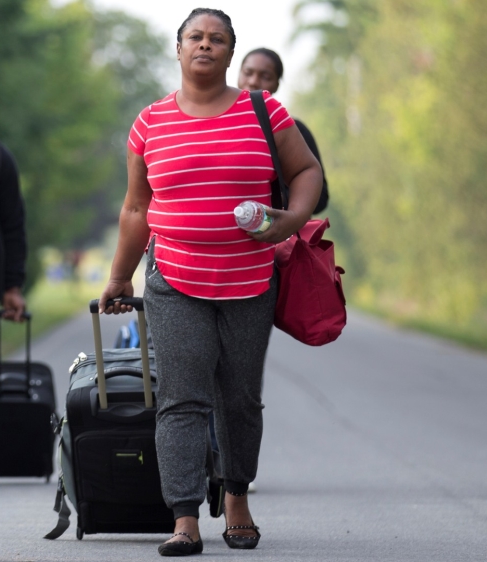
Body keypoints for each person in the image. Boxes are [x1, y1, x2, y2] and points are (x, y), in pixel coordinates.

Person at [98, 8, 322, 556]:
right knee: (181, 398)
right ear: (178, 49)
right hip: (174, 279)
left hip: (250, 280)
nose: (204, 45)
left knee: (240, 399)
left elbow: (306, 171)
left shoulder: (263, 110)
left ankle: (237, 499)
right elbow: (136, 207)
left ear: (229, 52)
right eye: (194, 37)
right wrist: (120, 276)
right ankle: (184, 517)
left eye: (216, 39)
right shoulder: (150, 122)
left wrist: (292, 219)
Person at [239, 47, 329, 214]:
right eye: (247, 73)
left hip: (276, 229)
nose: (253, 81)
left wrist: (272, 197)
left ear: (277, 85)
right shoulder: (219, 125)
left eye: (265, 77)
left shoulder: (293, 130)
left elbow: (321, 197)